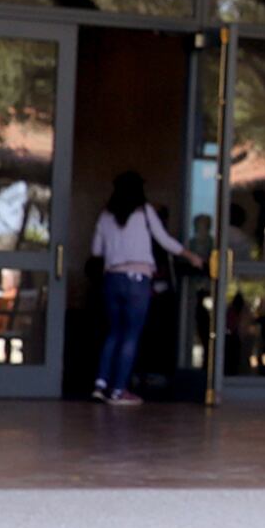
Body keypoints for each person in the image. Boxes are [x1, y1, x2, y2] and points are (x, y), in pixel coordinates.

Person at [85, 171, 193, 406]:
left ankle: (100, 384)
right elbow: (164, 240)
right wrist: (191, 256)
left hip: (112, 279)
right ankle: (119, 390)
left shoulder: (105, 215)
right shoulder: (145, 212)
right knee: (131, 335)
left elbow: (96, 251)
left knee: (113, 332)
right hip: (137, 279)